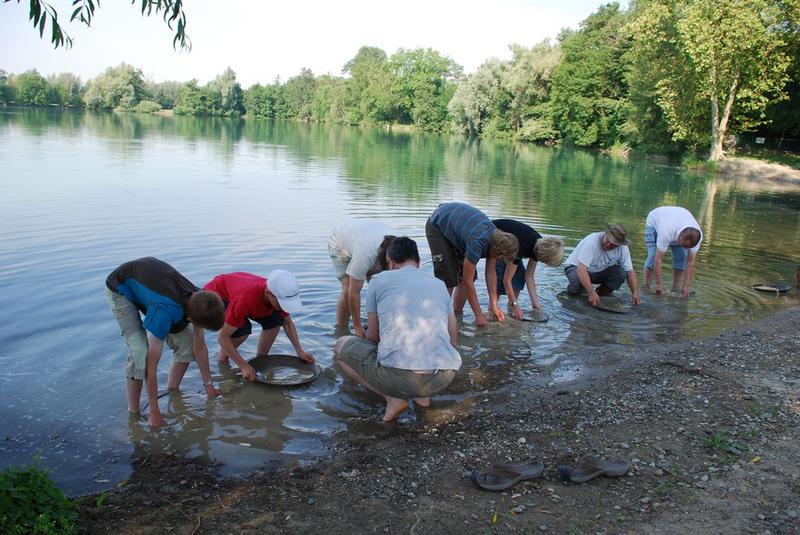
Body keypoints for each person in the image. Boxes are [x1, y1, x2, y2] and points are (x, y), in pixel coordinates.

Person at [335, 237, 462, 421]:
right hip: (443, 376)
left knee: (340, 346)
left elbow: (373, 337)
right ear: (418, 263)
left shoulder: (378, 281)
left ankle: (392, 398)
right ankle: (422, 401)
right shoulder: (439, 284)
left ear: (390, 262)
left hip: (398, 378)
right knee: (425, 348)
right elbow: (452, 341)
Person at [106, 257, 225, 428]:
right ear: (191, 318)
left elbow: (199, 346)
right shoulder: (164, 311)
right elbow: (151, 366)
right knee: (140, 352)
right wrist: (155, 412)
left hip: (152, 283)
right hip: (120, 286)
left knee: (187, 342)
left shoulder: (202, 299)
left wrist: (209, 385)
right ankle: (133, 414)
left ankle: (172, 391)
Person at [203, 270, 315, 382]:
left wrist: (300, 351)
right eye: (281, 303)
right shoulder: (246, 299)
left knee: (276, 319)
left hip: (245, 297)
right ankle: (223, 360)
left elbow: (287, 323)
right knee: (242, 330)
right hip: (216, 296)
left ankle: (261, 360)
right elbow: (223, 337)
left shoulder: (279, 293)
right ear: (268, 292)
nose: (283, 307)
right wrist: (243, 365)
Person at [425, 202, 519, 326]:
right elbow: (467, 281)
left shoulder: (494, 238)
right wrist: (479, 315)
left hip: (457, 228)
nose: (500, 259)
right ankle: (439, 318)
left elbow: (491, 272)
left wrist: (494, 305)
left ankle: (456, 314)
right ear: (495, 248)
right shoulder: (477, 242)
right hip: (437, 226)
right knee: (448, 278)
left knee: (471, 276)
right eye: (500, 257)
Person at [328, 219, 396, 338]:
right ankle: (341, 331)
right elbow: (354, 293)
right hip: (340, 243)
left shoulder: (403, 248)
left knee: (380, 286)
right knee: (347, 287)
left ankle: (378, 322)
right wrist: (358, 327)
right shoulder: (366, 254)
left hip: (365, 236)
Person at [488, 218, 565, 320]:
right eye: (546, 261)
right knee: (500, 277)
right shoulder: (523, 246)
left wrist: (535, 303)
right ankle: (492, 310)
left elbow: (529, 276)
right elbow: (506, 280)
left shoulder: (540, 246)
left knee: (520, 276)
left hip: (514, 245)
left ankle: (511, 309)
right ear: (545, 255)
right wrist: (516, 305)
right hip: (497, 239)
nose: (544, 263)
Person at [564, 224, 641, 306]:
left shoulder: (623, 249)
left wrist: (635, 292)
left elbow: (630, 271)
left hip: (598, 272)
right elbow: (581, 269)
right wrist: (591, 292)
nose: (608, 245)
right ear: (605, 234)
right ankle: (573, 296)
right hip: (575, 267)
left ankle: (599, 295)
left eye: (613, 244)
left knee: (621, 273)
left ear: (619, 244)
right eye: (608, 240)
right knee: (577, 284)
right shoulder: (591, 243)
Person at [642, 206, 703, 297]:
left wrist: (686, 286)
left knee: (682, 256)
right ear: (681, 236)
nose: (686, 249)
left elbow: (690, 262)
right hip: (654, 222)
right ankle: (646, 286)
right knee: (652, 256)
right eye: (685, 246)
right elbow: (657, 259)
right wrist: (659, 284)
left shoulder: (697, 236)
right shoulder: (667, 230)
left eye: (688, 247)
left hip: (677, 221)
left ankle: (675, 287)